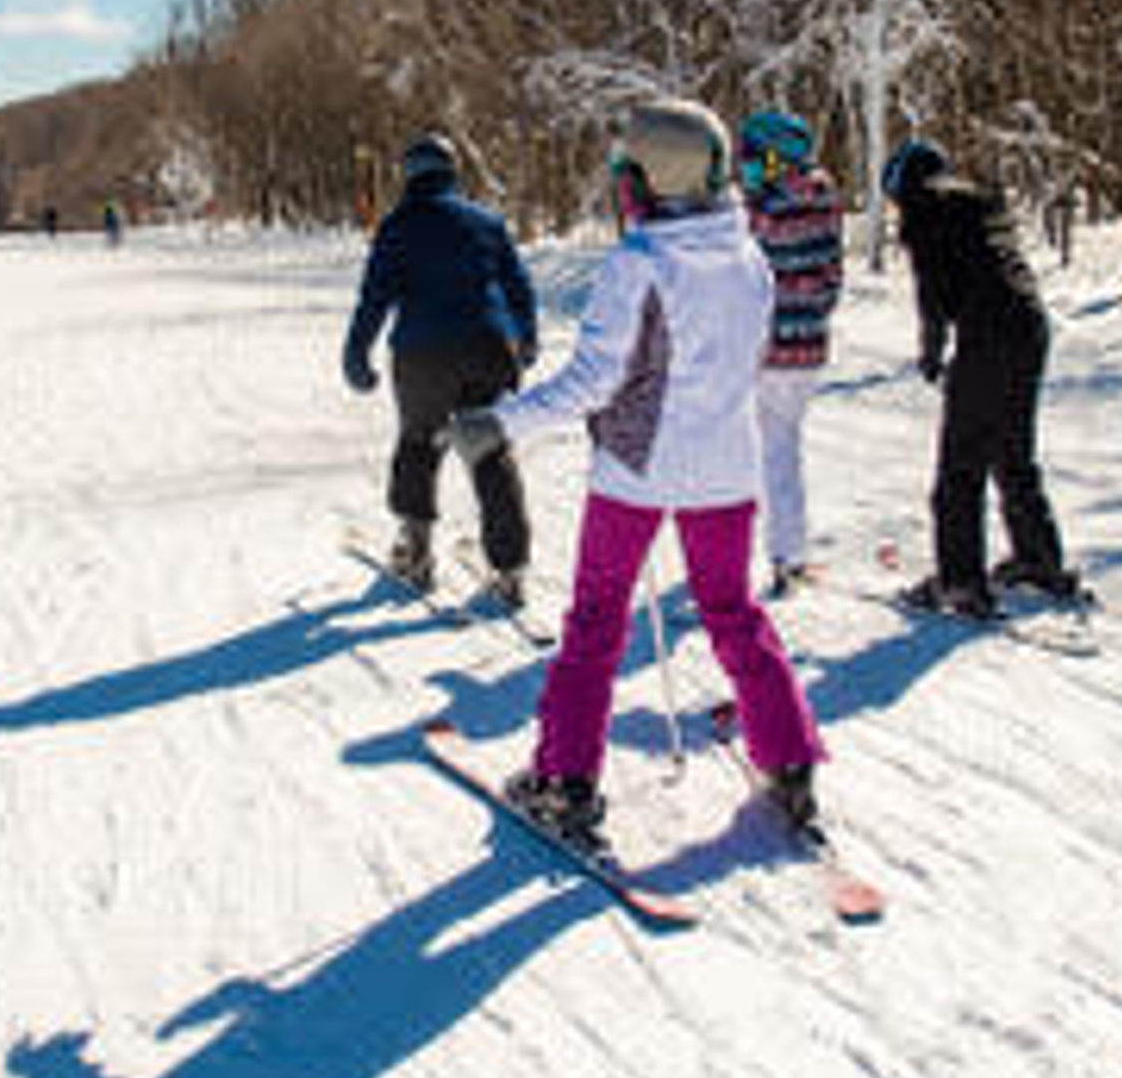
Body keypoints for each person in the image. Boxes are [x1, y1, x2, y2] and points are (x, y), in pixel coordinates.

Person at [448, 100, 826, 847]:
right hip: (726, 464)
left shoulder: (640, 263)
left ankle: (565, 779)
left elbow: (592, 380)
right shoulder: (748, 254)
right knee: (733, 611)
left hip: (637, 468)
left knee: (596, 620)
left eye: (628, 170)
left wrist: (501, 421)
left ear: (651, 179)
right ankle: (790, 758)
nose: (621, 184)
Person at [880, 138, 1083, 618]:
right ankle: (1039, 558)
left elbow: (933, 292)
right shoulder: (980, 201)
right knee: (1013, 452)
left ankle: (961, 582)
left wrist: (931, 352)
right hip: (1029, 327)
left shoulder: (924, 209)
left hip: (988, 335)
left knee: (960, 465)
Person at [343, 132, 537, 603]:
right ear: (453, 172)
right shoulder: (488, 222)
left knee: (419, 444)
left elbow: (375, 298)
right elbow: (519, 286)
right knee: (490, 452)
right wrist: (526, 340)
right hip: (488, 348)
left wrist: (357, 355)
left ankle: (416, 551)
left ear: (408, 176)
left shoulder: (397, 226)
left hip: (424, 354)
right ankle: (510, 570)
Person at [736, 107, 846, 595]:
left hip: (766, 344)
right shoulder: (825, 197)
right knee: (781, 444)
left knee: (757, 449)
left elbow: (742, 270)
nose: (747, 167)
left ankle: (776, 553)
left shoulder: (762, 208)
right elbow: (831, 275)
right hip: (808, 342)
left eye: (755, 157)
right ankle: (786, 549)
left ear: (779, 159)